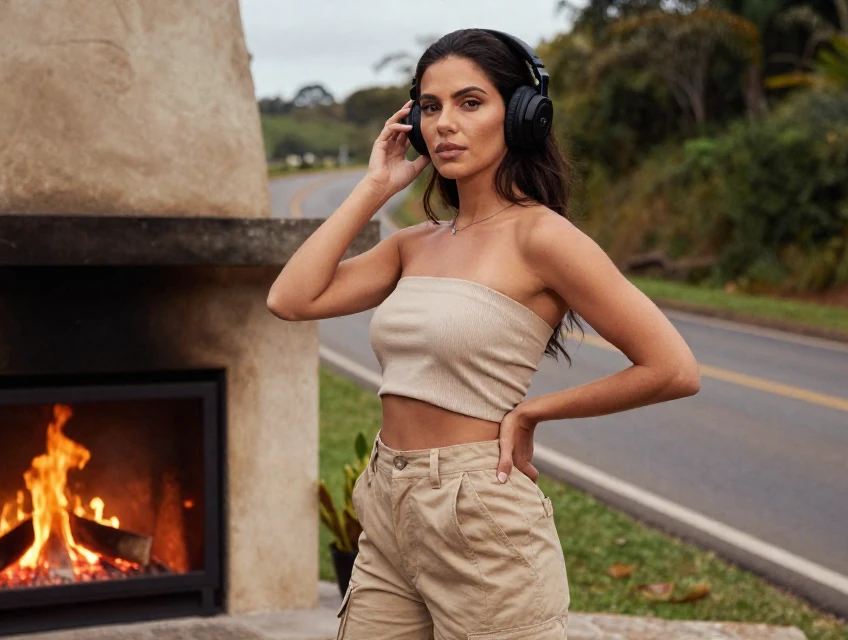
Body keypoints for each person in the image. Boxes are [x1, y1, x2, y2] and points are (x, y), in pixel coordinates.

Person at [266, 27, 700, 640]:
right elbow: (290, 298)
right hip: (388, 501)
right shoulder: (412, 245)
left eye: (470, 103)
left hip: (481, 513)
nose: (445, 123)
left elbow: (672, 368)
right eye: (431, 106)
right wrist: (374, 188)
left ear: (522, 115)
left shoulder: (542, 237)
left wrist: (533, 413)